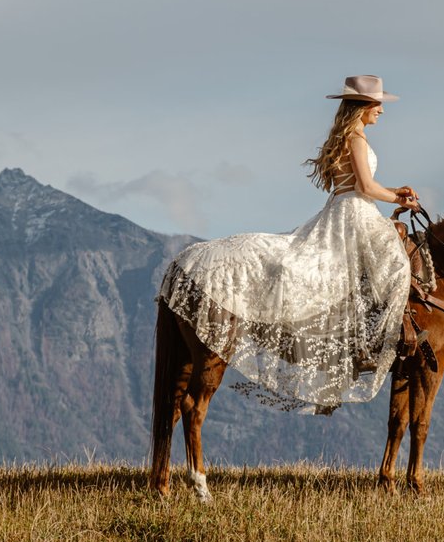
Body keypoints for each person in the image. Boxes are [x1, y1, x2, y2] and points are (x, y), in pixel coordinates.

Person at [158, 75, 420, 413]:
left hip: (344, 209)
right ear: (362, 106)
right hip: (354, 213)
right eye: (377, 103)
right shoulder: (356, 137)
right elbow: (366, 189)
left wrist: (394, 192)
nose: (382, 110)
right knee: (395, 267)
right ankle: (373, 341)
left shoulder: (348, 137)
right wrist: (398, 197)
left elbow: (358, 185)